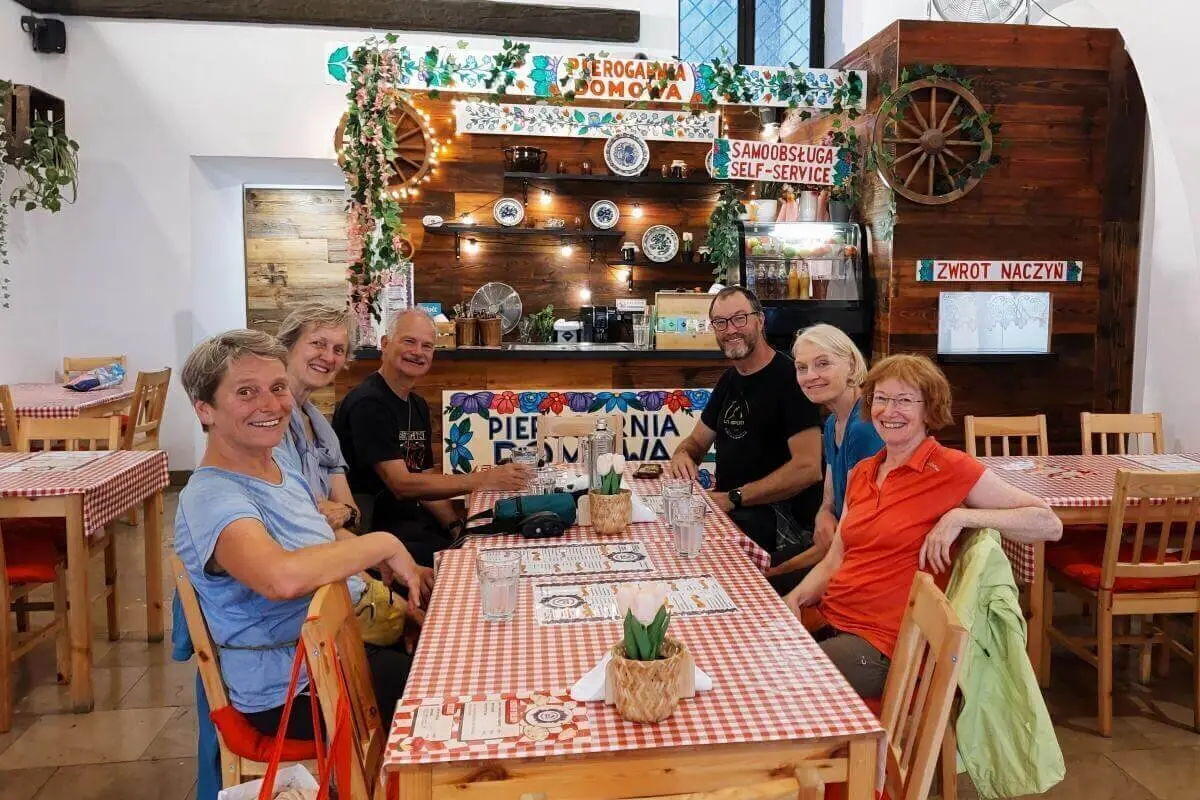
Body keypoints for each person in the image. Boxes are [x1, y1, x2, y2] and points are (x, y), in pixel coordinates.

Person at [174, 329, 430, 738]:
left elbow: (320, 538)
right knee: (453, 698)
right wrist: (383, 543)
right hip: (292, 691)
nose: (271, 404)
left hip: (342, 647)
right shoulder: (212, 497)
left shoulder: (277, 463)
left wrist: (398, 579)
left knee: (458, 651)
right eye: (245, 392)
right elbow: (282, 577)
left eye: (277, 387)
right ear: (205, 410)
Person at [784, 354, 1062, 697]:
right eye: (882, 399)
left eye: (904, 401)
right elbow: (834, 560)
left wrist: (964, 516)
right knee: (756, 658)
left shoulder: (950, 468)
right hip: (831, 617)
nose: (889, 411)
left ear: (929, 410)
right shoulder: (863, 473)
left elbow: (1048, 524)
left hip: (886, 647)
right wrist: (792, 599)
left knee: (784, 684)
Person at [333, 309, 531, 566]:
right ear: (384, 344)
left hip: (415, 526)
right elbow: (401, 484)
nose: (418, 352)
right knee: (482, 563)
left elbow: (424, 477)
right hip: (377, 536)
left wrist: (455, 526)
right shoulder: (368, 403)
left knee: (501, 542)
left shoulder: (416, 404)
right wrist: (483, 480)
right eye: (409, 341)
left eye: (427, 346)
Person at [667, 286, 823, 553]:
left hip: (779, 521)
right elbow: (696, 441)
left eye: (740, 318)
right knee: (669, 530)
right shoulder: (730, 380)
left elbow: (808, 469)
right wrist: (683, 455)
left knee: (689, 546)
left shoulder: (791, 379)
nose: (730, 330)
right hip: (733, 508)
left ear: (760, 321)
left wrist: (734, 498)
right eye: (720, 322)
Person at [765, 324, 884, 589]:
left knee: (763, 581)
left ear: (852, 366)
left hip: (864, 561)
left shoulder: (864, 427)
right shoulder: (832, 423)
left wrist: (775, 572)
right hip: (838, 546)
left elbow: (849, 532)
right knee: (759, 570)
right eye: (802, 368)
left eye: (823, 364)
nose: (810, 376)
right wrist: (823, 514)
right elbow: (829, 502)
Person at [275, 302, 363, 532]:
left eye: (339, 350)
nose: (328, 357)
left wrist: (345, 513)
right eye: (318, 344)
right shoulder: (269, 420)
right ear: (287, 346)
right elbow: (290, 517)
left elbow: (353, 514)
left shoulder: (321, 426)